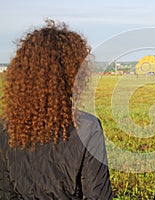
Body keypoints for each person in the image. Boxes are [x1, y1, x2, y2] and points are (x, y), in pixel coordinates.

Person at [0, 19, 113, 199]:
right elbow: (98, 195)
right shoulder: (87, 127)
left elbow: (6, 192)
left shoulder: (6, 126)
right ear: (74, 73)